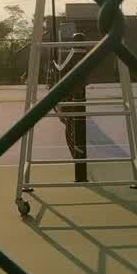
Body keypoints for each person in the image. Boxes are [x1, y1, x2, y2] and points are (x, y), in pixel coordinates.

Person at [52, 32, 89, 182]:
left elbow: (61, 70)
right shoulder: (87, 55)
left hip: (71, 96)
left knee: (70, 125)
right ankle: (77, 155)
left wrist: (54, 64)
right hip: (77, 96)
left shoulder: (75, 54)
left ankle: (77, 155)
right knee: (72, 123)